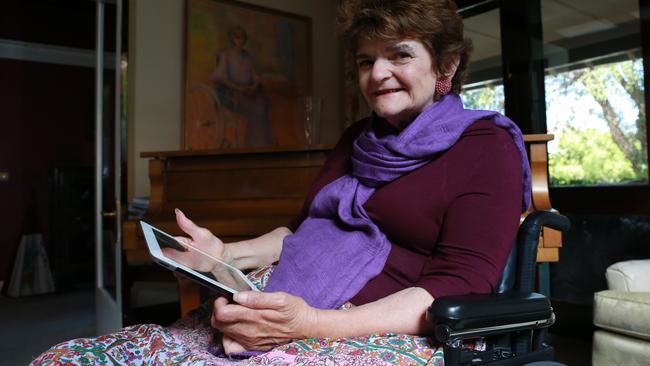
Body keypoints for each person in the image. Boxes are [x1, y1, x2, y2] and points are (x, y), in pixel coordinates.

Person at [32, 0, 530, 364]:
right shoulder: (359, 138)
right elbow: (298, 231)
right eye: (364, 60)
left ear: (445, 65)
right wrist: (223, 256)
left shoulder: (486, 147)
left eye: (398, 55)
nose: (378, 74)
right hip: (286, 303)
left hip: (383, 329)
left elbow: (459, 285)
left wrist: (309, 325)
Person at [211, 26, 274, 147]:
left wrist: (254, 86)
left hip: (248, 91)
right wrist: (240, 89)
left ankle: (263, 145)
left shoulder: (247, 56)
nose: (240, 40)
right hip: (232, 92)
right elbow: (219, 77)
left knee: (262, 104)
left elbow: (255, 76)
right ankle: (255, 146)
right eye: (237, 37)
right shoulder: (226, 55)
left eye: (242, 37)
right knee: (256, 110)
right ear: (232, 38)